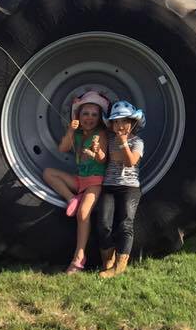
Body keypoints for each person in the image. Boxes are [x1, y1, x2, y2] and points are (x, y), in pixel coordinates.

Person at [43, 90, 110, 275]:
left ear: (99, 117)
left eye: (94, 115)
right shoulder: (79, 133)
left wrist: (95, 152)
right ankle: (71, 198)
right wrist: (71, 131)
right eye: (85, 113)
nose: (89, 118)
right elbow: (63, 148)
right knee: (48, 173)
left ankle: (79, 258)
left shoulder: (101, 134)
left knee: (82, 214)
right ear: (78, 115)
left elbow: (103, 160)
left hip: (95, 181)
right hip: (80, 180)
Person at [96, 100, 146, 278]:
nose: (120, 125)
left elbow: (130, 161)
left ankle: (120, 265)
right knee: (103, 223)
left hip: (129, 187)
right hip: (109, 185)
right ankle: (107, 262)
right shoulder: (109, 139)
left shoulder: (137, 142)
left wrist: (123, 143)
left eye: (124, 121)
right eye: (116, 121)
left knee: (125, 223)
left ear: (132, 123)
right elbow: (104, 158)